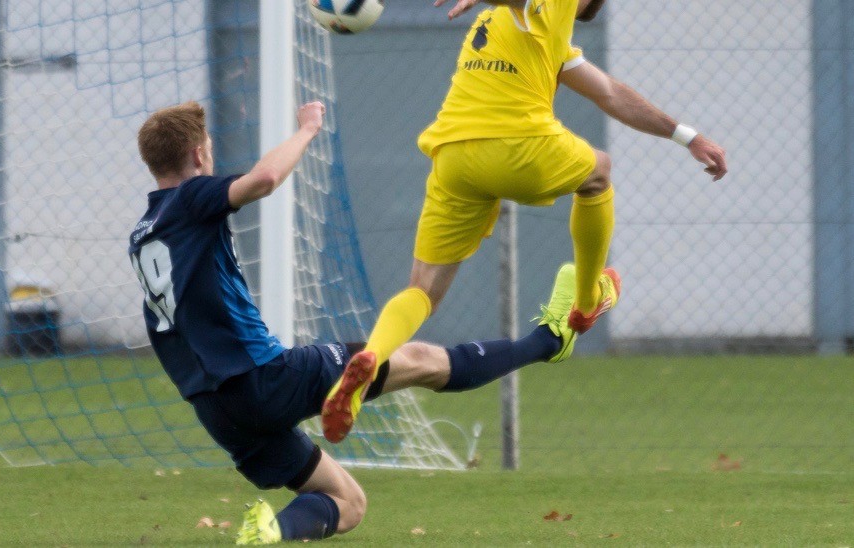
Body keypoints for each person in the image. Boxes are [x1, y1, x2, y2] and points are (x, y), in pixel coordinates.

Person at [128, 100, 585, 544]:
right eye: (209, 148)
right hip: (263, 377)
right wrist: (307, 129)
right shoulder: (190, 198)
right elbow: (263, 179)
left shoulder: (143, 235)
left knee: (348, 503)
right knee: (421, 360)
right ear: (198, 155)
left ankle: (269, 532)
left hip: (216, 409)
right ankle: (549, 340)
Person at [321, 0, 728, 444]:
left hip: (453, 156)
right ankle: (586, 301)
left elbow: (610, 93)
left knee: (422, 290)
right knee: (599, 172)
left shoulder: (543, 34)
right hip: (517, 148)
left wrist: (686, 136)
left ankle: (371, 358)